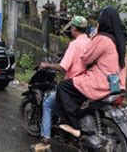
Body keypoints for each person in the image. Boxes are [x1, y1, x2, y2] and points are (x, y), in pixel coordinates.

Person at [54, 6, 127, 138]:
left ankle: (74, 125)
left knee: (63, 86)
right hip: (116, 85)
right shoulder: (120, 42)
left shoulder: (103, 39)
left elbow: (87, 58)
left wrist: (94, 37)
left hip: (99, 82)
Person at [30, 16, 90, 152]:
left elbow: (63, 67)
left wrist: (47, 65)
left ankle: (45, 140)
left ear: (74, 28)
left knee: (47, 103)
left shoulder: (75, 44)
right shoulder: (90, 42)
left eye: (71, 28)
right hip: (86, 85)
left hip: (72, 85)